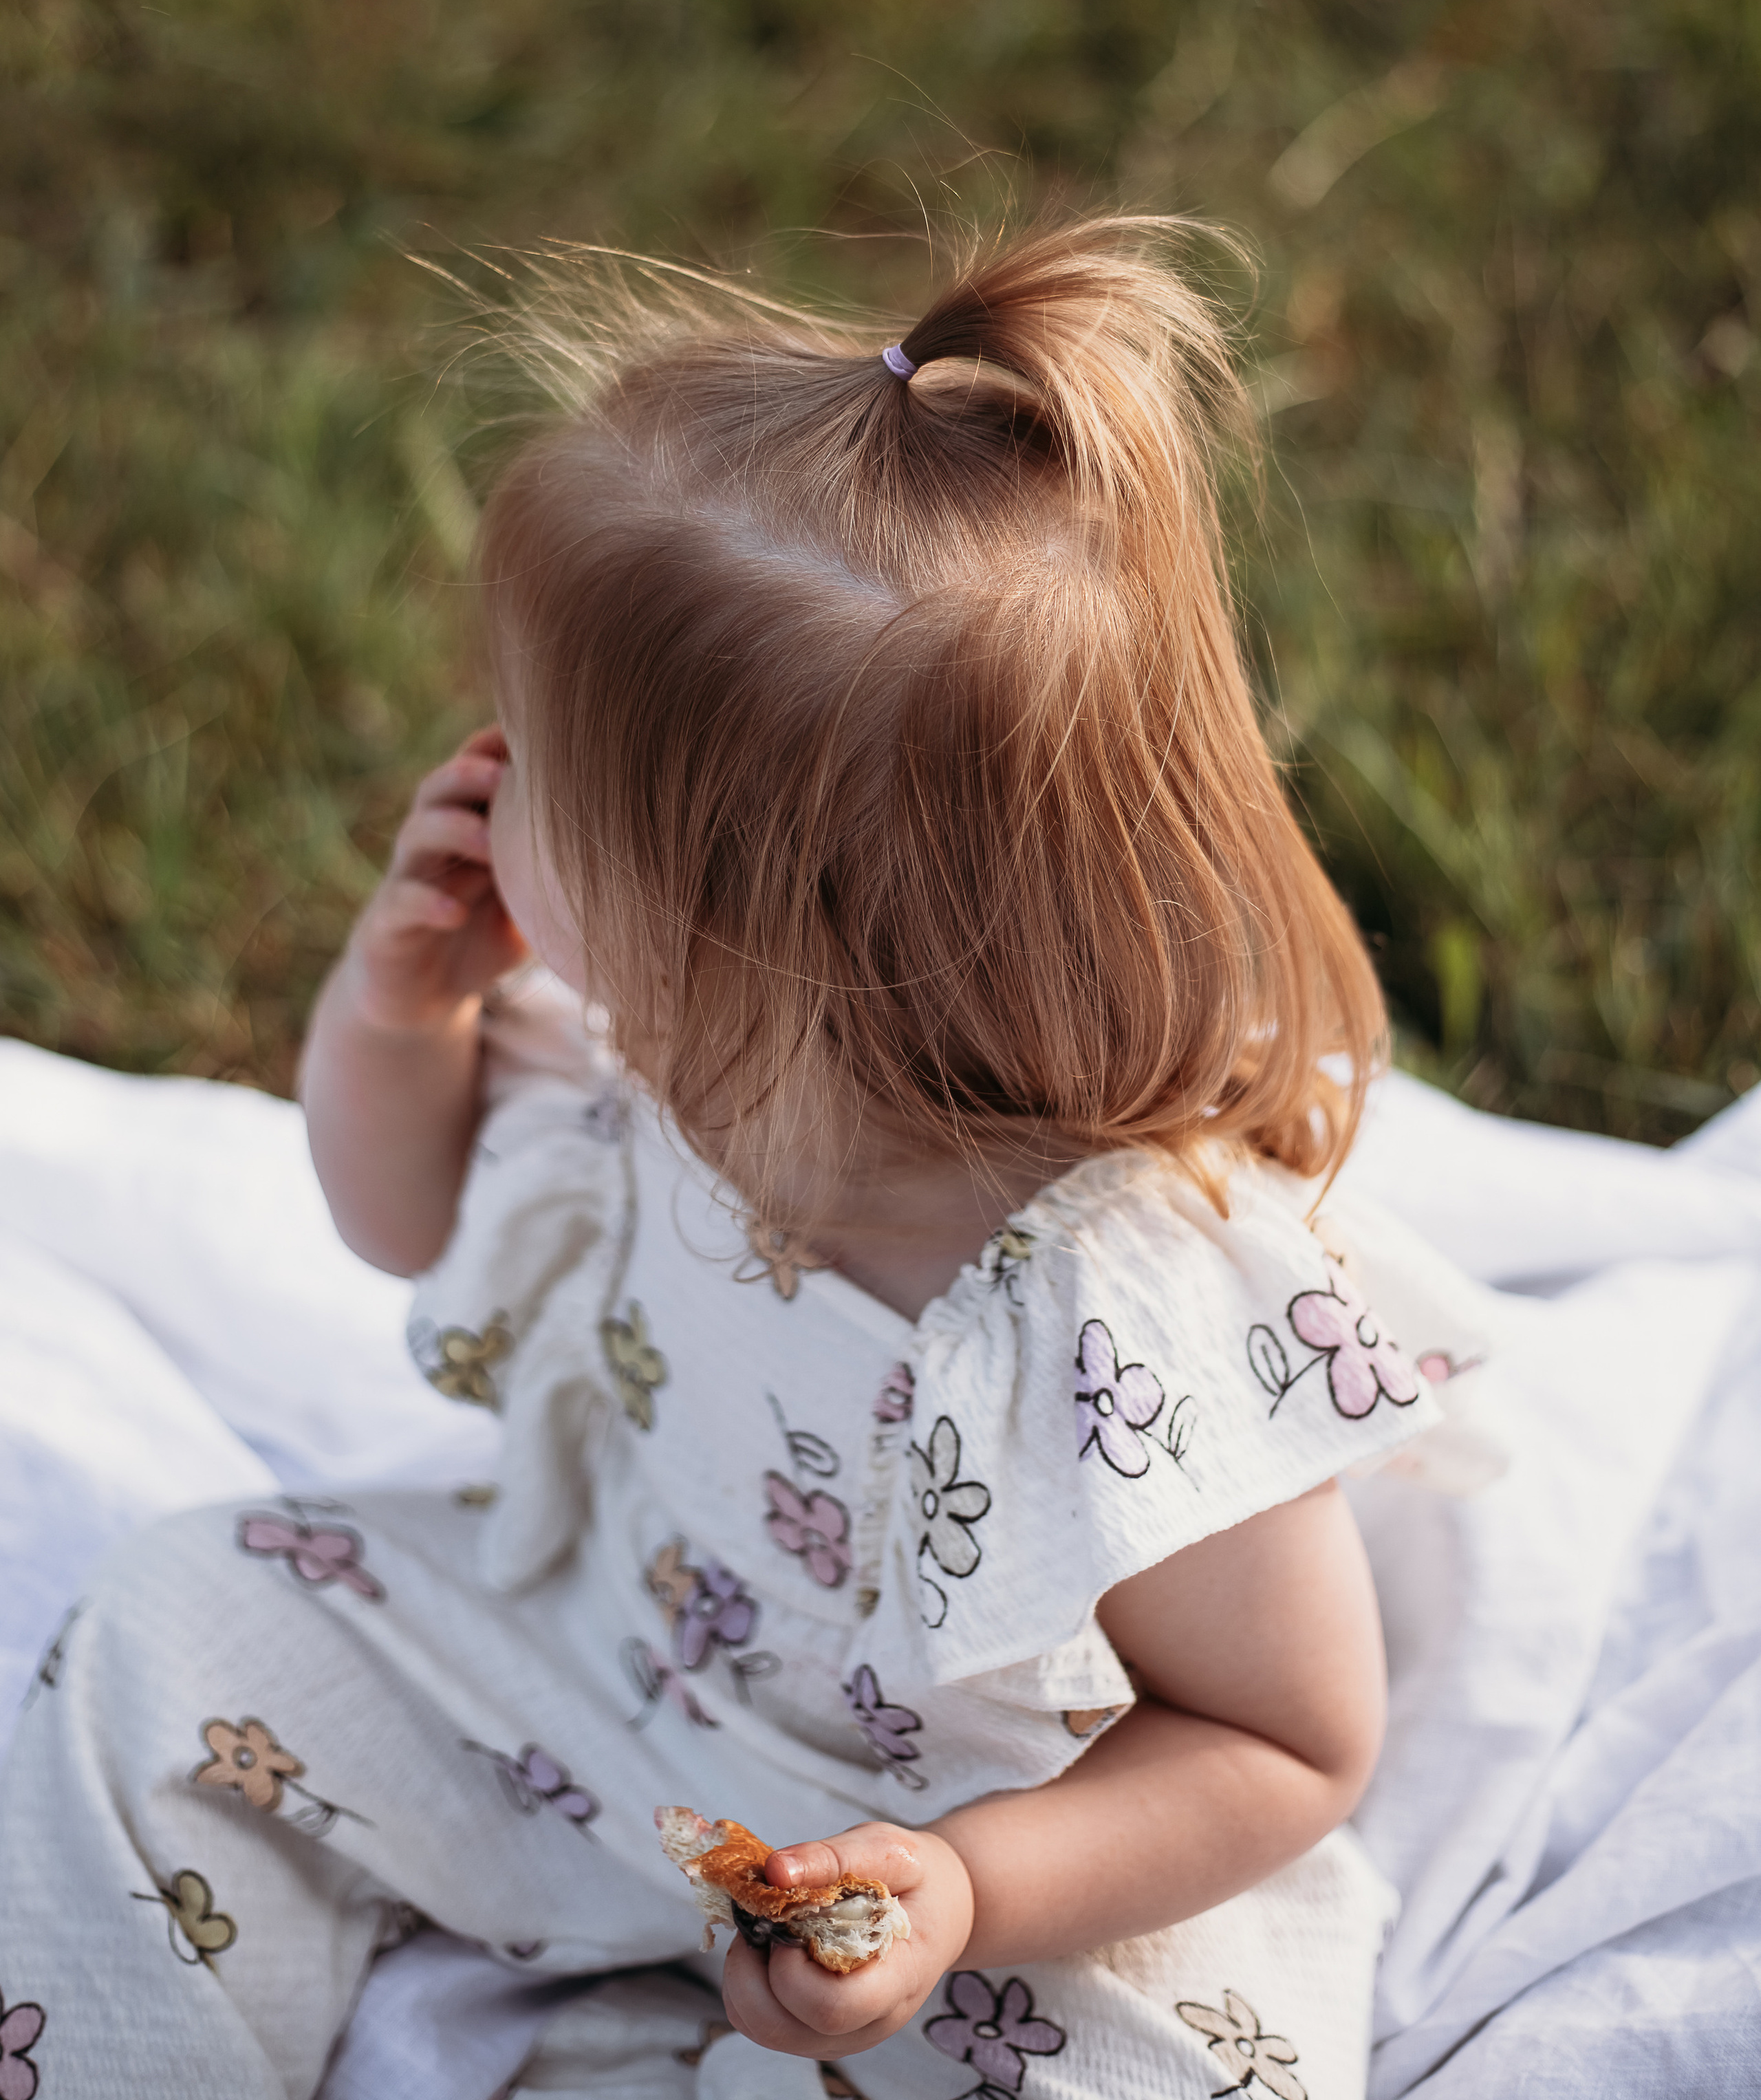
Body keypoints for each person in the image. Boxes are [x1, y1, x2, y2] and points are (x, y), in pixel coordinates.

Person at [0, 217, 1495, 2099]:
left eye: (533, 764)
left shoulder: (1129, 1304)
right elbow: (392, 1224)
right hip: (597, 1676)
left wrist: (958, 1892)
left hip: (981, 1860)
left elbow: (1282, 1743)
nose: (476, 774)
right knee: (177, 1626)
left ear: (717, 927)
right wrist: (401, 1022)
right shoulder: (656, 1067)